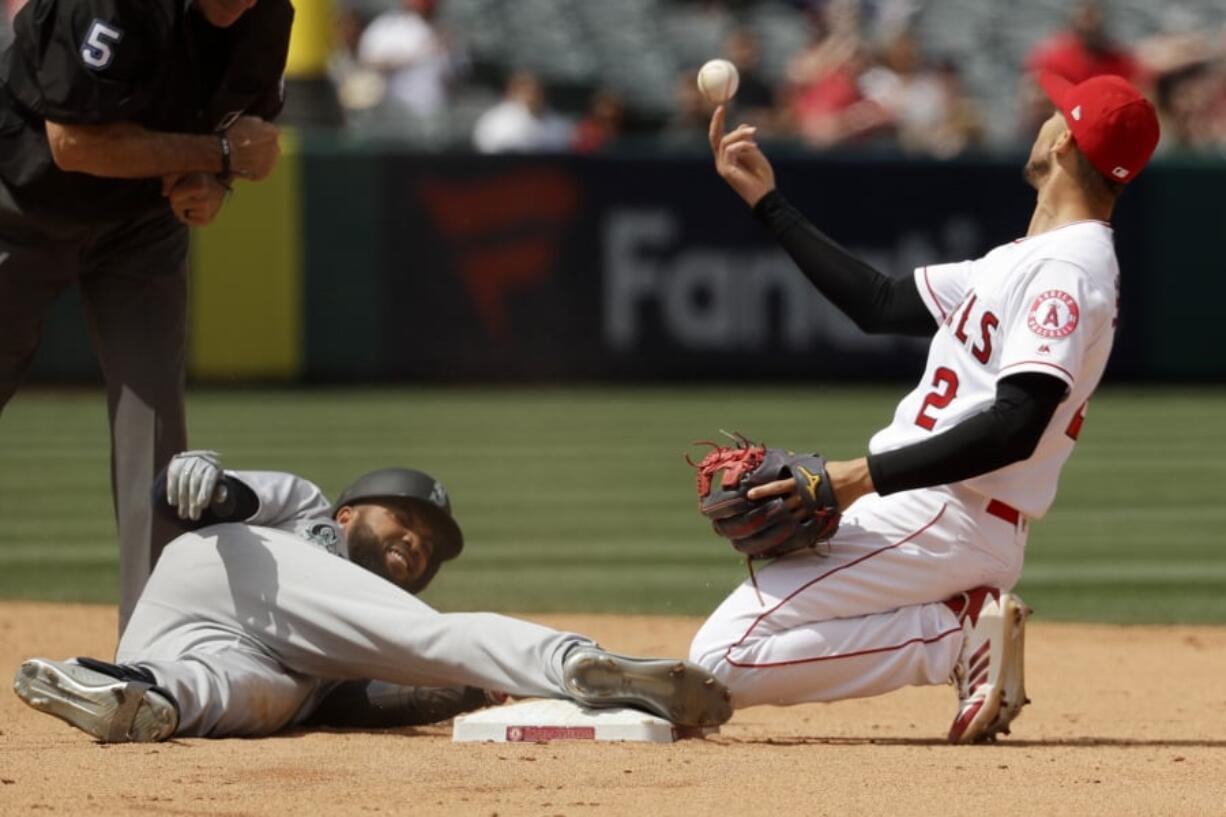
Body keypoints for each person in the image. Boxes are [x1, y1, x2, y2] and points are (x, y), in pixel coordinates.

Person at [691, 70, 1159, 743]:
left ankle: (952, 637)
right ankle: (957, 625)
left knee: (717, 661)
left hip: (947, 512)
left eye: (1056, 112)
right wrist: (769, 202)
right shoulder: (1029, 257)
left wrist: (857, 476)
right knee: (735, 645)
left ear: (1064, 144)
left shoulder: (1068, 271)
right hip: (936, 511)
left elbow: (1016, 425)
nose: (1042, 118)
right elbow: (877, 303)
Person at [13, 452, 733, 741]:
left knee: (248, 699)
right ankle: (575, 659)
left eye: (427, 546)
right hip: (226, 567)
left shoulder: (339, 647)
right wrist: (202, 475)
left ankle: (124, 691)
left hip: (198, 647)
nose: (416, 543)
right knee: (434, 638)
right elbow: (227, 498)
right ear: (352, 513)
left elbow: (360, 703)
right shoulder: (312, 512)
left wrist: (469, 695)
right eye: (406, 519)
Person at [0, 0, 290, 634]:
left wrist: (215, 183)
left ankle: (152, 646)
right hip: (19, 204)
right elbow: (73, 144)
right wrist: (216, 153)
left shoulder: (269, 17)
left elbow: (248, 130)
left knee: (154, 423)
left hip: (139, 227)